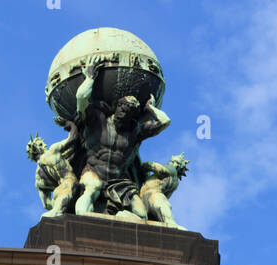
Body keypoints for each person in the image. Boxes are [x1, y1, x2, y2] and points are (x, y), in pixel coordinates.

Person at [73, 56, 171, 221]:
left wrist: (150, 108)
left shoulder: (134, 132)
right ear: (117, 106)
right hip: (94, 173)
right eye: (123, 108)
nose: (124, 113)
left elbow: (165, 122)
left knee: (141, 215)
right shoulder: (98, 121)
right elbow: (81, 99)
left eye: (129, 111)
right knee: (91, 190)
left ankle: (117, 221)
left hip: (121, 182)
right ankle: (83, 223)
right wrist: (90, 78)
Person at [140, 155, 190, 229]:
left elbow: (158, 168)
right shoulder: (175, 182)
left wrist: (143, 166)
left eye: (175, 162)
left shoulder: (171, 170)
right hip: (148, 199)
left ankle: (172, 225)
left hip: (151, 196)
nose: (171, 163)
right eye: (171, 161)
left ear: (179, 167)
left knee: (162, 207)